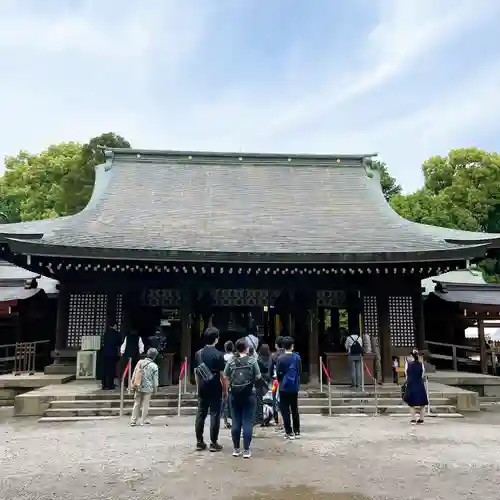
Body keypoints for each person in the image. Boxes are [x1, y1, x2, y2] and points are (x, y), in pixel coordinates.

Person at [223, 338, 262, 458]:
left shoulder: (231, 361)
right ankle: (246, 450)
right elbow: (259, 376)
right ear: (246, 348)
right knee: (247, 422)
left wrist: (228, 389)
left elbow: (225, 376)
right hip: (249, 394)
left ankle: (236, 449)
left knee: (236, 422)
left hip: (234, 395)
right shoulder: (252, 361)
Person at [193, 327, 226, 452]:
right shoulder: (219, 355)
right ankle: (213, 442)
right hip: (215, 386)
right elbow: (223, 376)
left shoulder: (198, 354)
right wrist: (225, 390)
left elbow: (196, 373)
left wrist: (198, 387)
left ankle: (199, 442)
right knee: (215, 414)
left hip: (202, 386)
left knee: (201, 413)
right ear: (216, 339)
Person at [276, 336, 302, 440]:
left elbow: (278, 373)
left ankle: (289, 431)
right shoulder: (297, 357)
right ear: (292, 346)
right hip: (294, 386)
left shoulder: (280, 358)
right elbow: (299, 372)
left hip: (283, 386)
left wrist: (280, 381)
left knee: (285, 410)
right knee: (294, 408)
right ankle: (297, 430)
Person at [130, 348, 159, 426]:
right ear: (155, 356)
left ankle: (133, 420)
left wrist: (132, 383)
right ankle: (143, 420)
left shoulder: (140, 362)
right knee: (145, 404)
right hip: (148, 387)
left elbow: (134, 373)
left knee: (136, 403)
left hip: (138, 385)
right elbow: (155, 380)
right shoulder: (154, 366)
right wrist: (155, 390)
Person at [403, 349, 429, 424]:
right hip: (419, 384)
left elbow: (406, 374)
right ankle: (421, 419)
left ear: (411, 356)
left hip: (411, 384)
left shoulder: (408, 364)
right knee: (422, 404)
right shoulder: (421, 364)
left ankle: (413, 419)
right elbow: (422, 375)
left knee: (411, 404)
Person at [101, 323, 121, 390]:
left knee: (105, 369)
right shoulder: (117, 333)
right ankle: (110, 385)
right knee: (111, 369)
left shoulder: (106, 333)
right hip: (112, 353)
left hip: (105, 353)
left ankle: (104, 385)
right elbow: (119, 342)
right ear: (115, 325)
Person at [255, 344, 272, 425]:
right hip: (269, 381)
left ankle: (260, 418)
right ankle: (268, 417)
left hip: (260, 381)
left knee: (260, 401)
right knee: (269, 401)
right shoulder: (270, 358)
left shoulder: (258, 359)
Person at [222, 340, 235, 429]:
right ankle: (235, 420)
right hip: (234, 381)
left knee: (225, 402)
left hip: (224, 380)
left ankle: (225, 421)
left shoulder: (222, 357)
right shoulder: (235, 357)